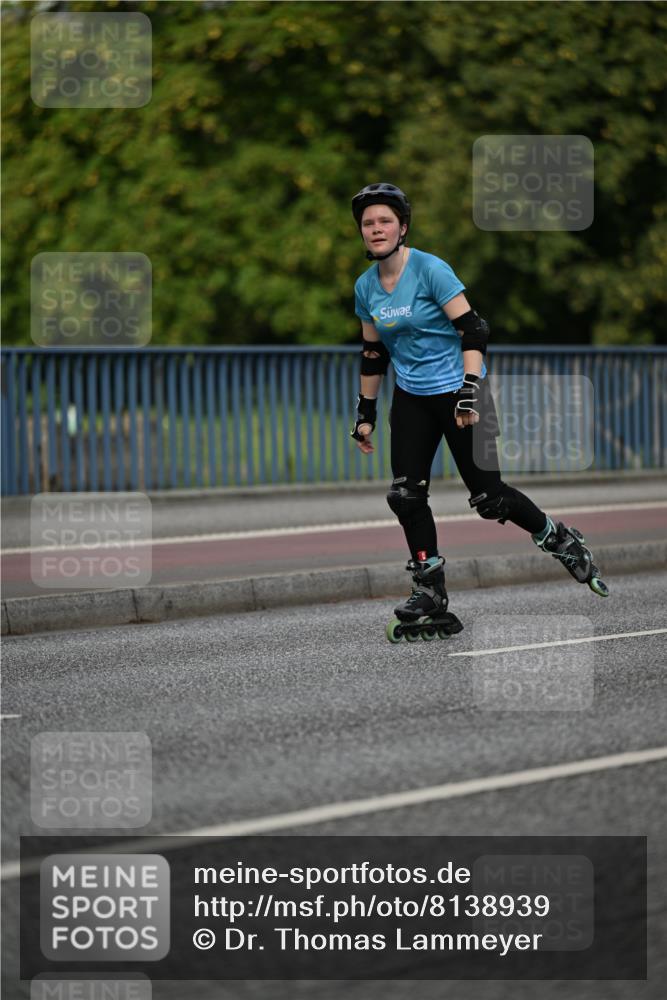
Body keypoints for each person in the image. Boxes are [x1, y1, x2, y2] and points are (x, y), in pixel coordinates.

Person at [349, 182, 608, 637]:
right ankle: (429, 590)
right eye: (369, 223)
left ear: (402, 227)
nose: (376, 229)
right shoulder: (366, 287)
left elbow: (473, 329)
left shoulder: (430, 270)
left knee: (489, 499)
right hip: (412, 396)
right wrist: (364, 411)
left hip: (462, 391)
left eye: (385, 220)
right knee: (405, 494)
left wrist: (470, 388)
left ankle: (558, 538)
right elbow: (373, 353)